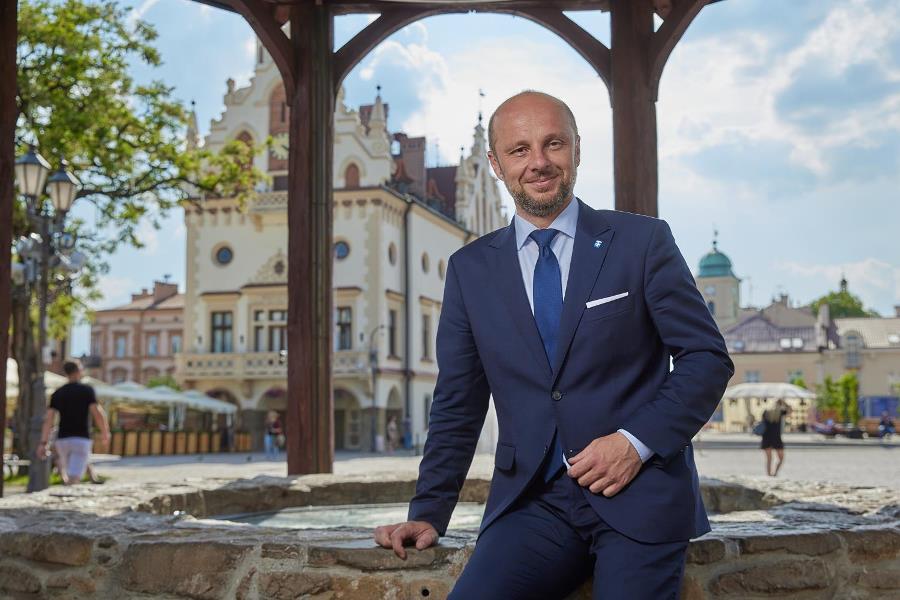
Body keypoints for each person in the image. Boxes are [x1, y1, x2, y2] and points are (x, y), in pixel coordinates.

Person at [374, 91, 734, 599]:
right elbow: (458, 401)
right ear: (496, 164)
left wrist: (634, 442)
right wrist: (429, 512)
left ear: (577, 149)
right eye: (519, 150)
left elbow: (706, 359)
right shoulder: (470, 269)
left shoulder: (642, 241)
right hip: (532, 505)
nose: (539, 162)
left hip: (640, 492)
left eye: (554, 144)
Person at [38, 361, 110, 485]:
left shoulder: (58, 393)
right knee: (74, 477)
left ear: (66, 373)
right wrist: (105, 432)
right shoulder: (87, 390)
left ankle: (69, 487)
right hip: (81, 439)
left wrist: (43, 442)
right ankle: (69, 492)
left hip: (63, 440)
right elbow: (98, 414)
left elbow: (48, 419)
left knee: (70, 474)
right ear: (79, 371)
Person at [760, 399, 790, 476]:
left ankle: (769, 475)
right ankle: (775, 473)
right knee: (781, 458)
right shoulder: (780, 412)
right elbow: (790, 410)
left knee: (769, 459)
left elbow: (762, 421)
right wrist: (784, 402)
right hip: (776, 437)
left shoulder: (765, 412)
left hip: (766, 437)